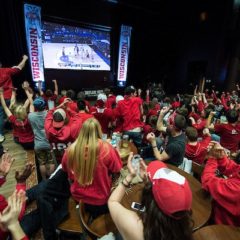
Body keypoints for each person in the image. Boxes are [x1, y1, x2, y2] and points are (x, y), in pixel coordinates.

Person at [108, 153, 193, 240]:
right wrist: (148, 182)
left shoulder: (136, 227)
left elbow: (112, 202)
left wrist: (130, 176)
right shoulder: (184, 229)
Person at [62, 118, 122, 218]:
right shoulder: (107, 149)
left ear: (82, 131)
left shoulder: (70, 149)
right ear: (99, 130)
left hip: (78, 198)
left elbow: (65, 169)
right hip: (100, 201)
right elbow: (117, 170)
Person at [201, 142, 240, 226]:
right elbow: (234, 168)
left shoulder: (237, 189)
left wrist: (212, 158)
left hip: (220, 227)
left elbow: (207, 181)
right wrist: (221, 157)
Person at [0, 55, 28, 142]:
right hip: (9, 96)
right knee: (15, 113)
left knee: (1, 114)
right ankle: (17, 130)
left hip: (1, 97)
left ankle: (0, 133)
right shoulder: (5, 71)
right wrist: (24, 59)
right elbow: (19, 68)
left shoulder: (6, 70)